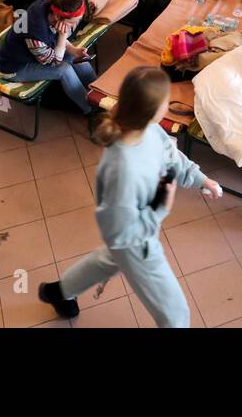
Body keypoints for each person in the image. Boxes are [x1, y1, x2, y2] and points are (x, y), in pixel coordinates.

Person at [37, 66, 223, 327]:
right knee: (176, 315)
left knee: (109, 259)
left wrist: (200, 178)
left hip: (132, 237)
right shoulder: (122, 167)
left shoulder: (150, 130)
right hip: (137, 244)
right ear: (151, 109)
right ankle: (61, 291)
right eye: (166, 101)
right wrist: (160, 207)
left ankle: (59, 292)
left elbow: (171, 158)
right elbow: (119, 233)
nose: (169, 105)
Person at [0, 0, 97, 114]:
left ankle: (99, 94)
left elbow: (54, 40)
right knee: (64, 70)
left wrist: (74, 50)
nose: (73, 26)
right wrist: (63, 35)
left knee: (77, 58)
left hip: (35, 55)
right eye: (71, 23)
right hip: (13, 67)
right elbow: (54, 63)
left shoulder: (48, 8)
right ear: (57, 17)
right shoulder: (35, 32)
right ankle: (90, 109)